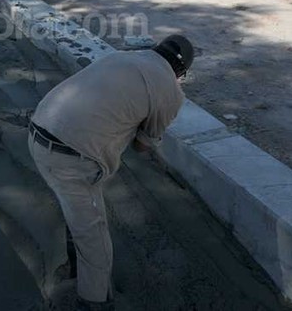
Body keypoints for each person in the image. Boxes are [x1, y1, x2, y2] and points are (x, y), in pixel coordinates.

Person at [28, 36, 193, 310]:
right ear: (180, 73)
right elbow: (142, 146)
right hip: (70, 157)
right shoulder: (171, 92)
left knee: (77, 212)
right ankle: (94, 301)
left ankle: (74, 269)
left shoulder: (122, 56)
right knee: (95, 238)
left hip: (38, 131)